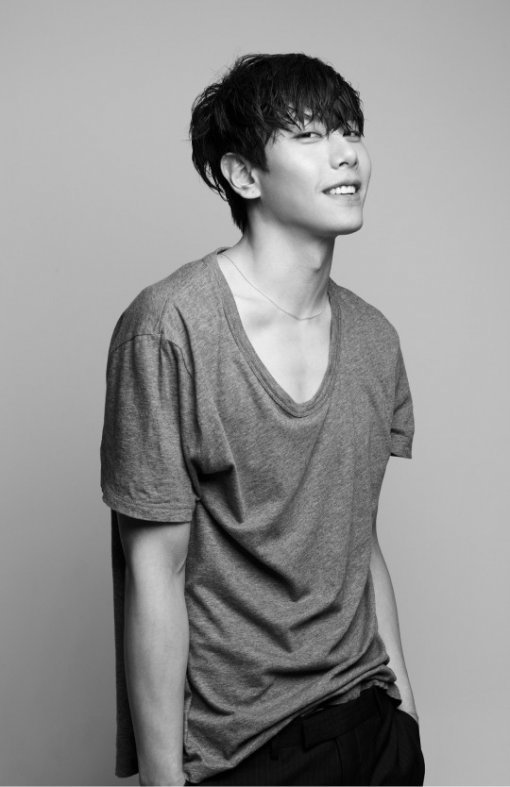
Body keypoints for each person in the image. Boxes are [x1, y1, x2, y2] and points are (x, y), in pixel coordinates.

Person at [100, 52, 425, 786]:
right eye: (309, 135)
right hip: (246, 753)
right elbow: (156, 572)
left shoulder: (375, 339)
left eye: (349, 130)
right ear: (243, 175)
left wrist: (406, 713)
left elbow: (360, 543)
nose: (346, 153)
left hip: (374, 727)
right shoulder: (171, 328)